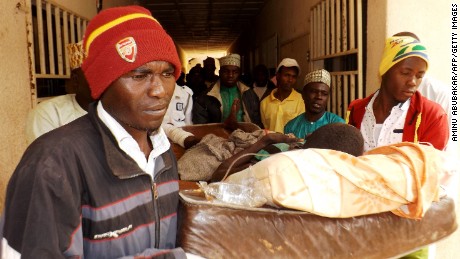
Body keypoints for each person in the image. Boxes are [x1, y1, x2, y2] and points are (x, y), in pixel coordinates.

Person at [1, 6, 193, 258]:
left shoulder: (162, 151)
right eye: (139, 75)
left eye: (167, 73)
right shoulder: (52, 164)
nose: (159, 90)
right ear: (103, 82)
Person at [346, 35, 448, 153]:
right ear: (384, 71)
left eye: (419, 76)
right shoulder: (356, 110)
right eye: (405, 73)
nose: (413, 82)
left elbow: (431, 166)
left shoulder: (432, 116)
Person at [25, 41, 94, 144]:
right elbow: (47, 157)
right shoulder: (48, 114)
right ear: (75, 79)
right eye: (95, 73)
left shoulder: (114, 111)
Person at [192, 53, 263, 128]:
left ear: (239, 73)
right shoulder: (206, 97)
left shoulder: (250, 94)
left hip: (246, 137)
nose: (230, 75)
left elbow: (256, 122)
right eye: (226, 71)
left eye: (235, 72)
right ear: (219, 73)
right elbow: (201, 126)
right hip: (216, 137)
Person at [284, 69, 345, 139]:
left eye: (324, 94)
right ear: (303, 94)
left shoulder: (339, 125)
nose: (319, 97)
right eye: (313, 91)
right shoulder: (291, 126)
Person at [260, 58, 305, 132]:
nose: (290, 80)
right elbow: (266, 130)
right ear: (277, 76)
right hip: (271, 143)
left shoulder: (302, 100)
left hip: (293, 143)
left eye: (294, 77)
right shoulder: (264, 103)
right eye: (287, 75)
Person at [162, 83, 201, 148]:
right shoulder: (149, 94)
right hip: (160, 138)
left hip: (182, 139)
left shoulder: (185, 93)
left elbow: (188, 121)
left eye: (168, 74)